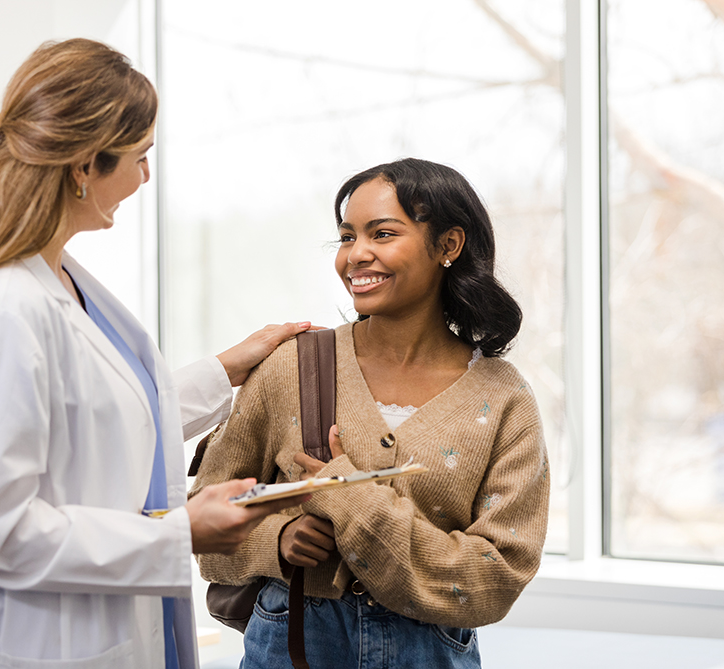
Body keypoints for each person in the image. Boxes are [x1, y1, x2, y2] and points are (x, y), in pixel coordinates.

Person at [0, 39, 310, 669]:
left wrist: (227, 369)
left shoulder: (58, 279)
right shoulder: (3, 309)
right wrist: (182, 533)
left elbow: (93, 430)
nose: (146, 177)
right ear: (85, 165)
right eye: (140, 158)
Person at [192, 158, 550, 668]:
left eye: (382, 234)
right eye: (346, 237)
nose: (356, 255)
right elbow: (203, 517)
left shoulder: (503, 399)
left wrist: (351, 499)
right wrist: (277, 539)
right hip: (291, 646)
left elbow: (496, 579)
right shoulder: (292, 367)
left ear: (449, 245)